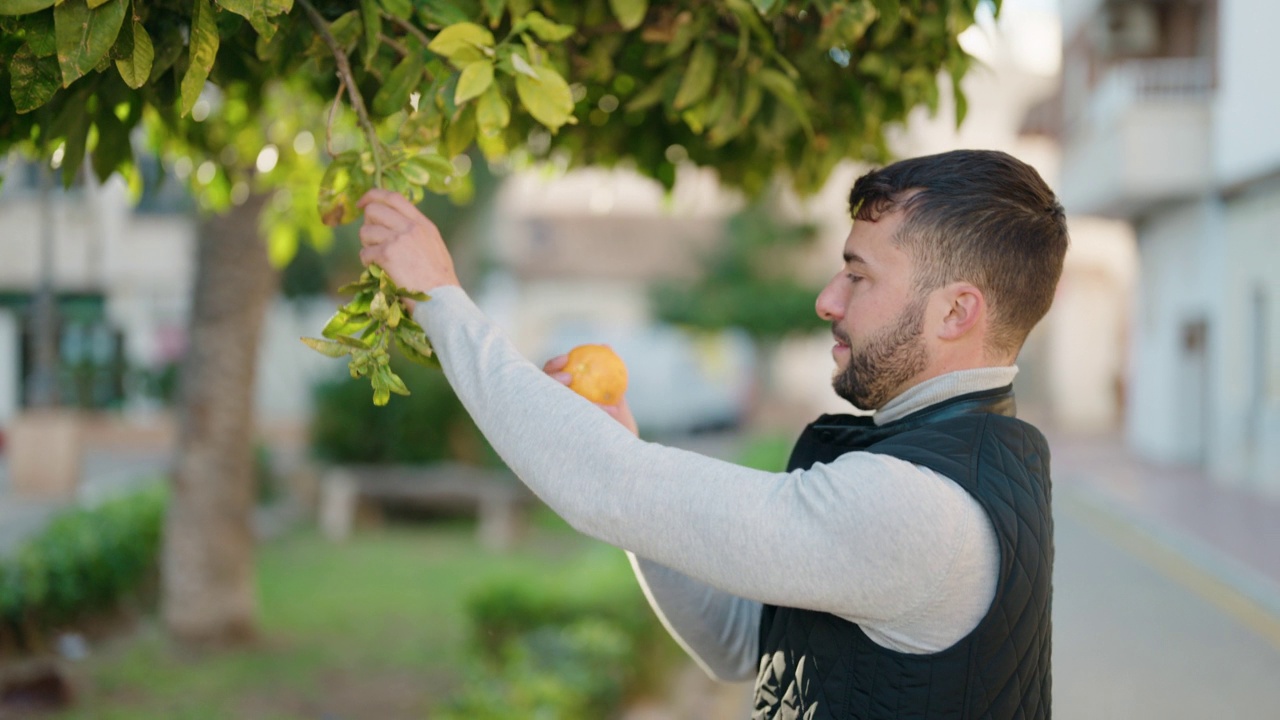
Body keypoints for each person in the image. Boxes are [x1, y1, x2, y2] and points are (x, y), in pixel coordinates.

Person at [356, 149, 1067, 719]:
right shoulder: (974, 462)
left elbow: (600, 486)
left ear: (955, 314)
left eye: (858, 276)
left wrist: (438, 297)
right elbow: (738, 643)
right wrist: (623, 452)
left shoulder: (918, 509)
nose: (827, 299)